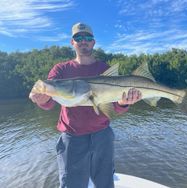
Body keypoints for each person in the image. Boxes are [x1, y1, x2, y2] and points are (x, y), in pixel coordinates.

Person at [29, 22, 142, 188]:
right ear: (72, 42)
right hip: (72, 138)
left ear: (93, 42)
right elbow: (49, 101)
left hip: (103, 136)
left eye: (88, 37)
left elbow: (115, 109)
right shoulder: (61, 70)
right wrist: (42, 98)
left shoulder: (104, 69)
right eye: (78, 37)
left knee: (105, 183)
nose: (83, 40)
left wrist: (123, 103)